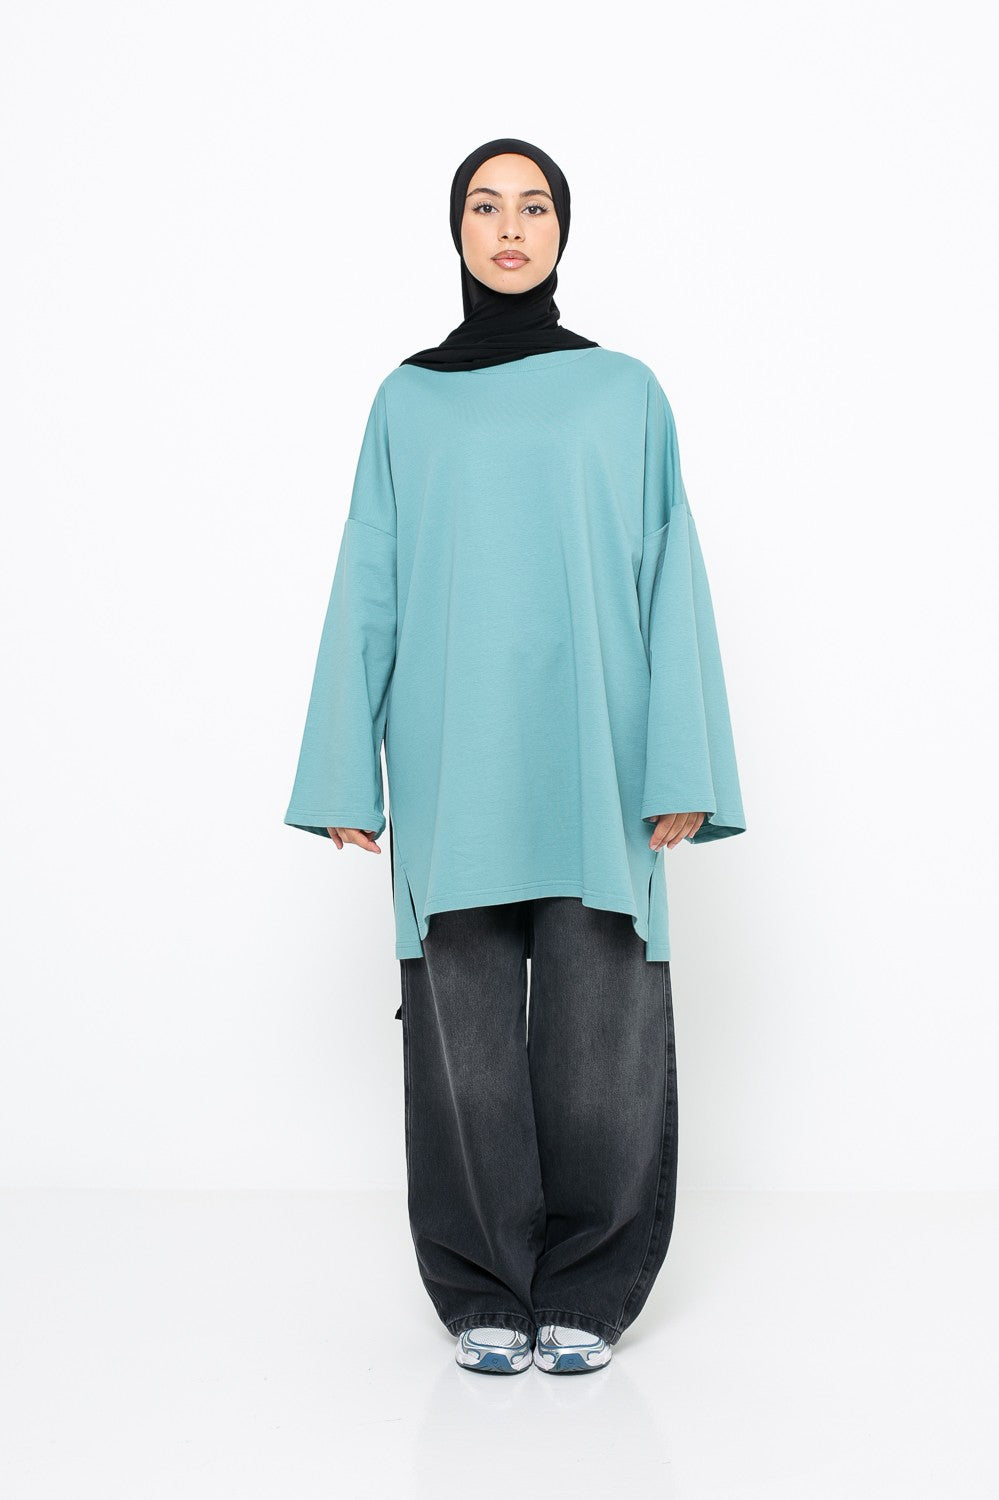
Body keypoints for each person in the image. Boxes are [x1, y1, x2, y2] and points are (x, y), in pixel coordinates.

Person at [284, 137, 746, 1376]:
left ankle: (590, 1283)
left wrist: (684, 767)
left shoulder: (624, 393)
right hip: (452, 759)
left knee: (600, 1043)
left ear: (561, 231)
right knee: (465, 1045)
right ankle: (485, 1284)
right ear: (456, 229)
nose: (508, 227)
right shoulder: (407, 400)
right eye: (485, 206)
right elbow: (369, 578)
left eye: (533, 206)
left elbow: (672, 577)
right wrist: (343, 770)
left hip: (599, 757)